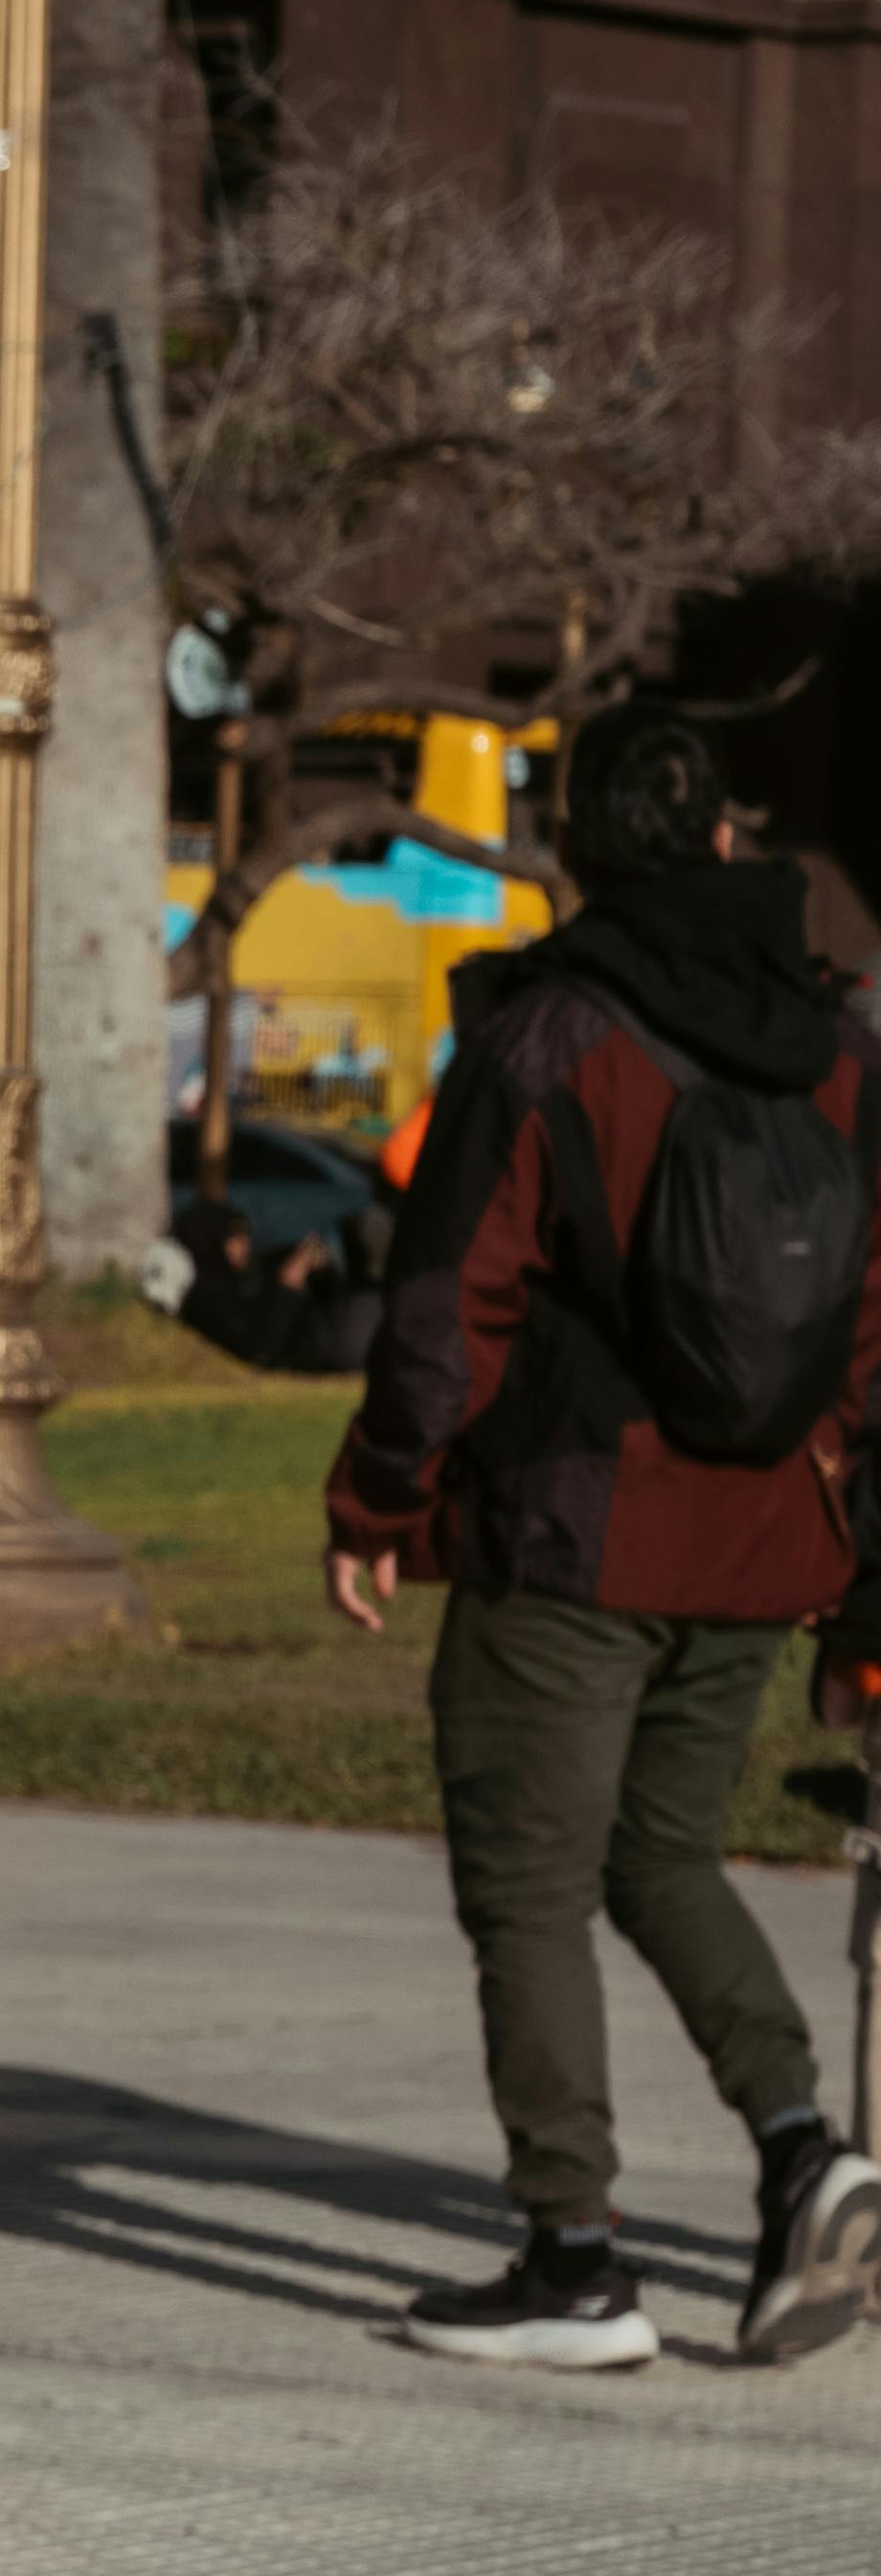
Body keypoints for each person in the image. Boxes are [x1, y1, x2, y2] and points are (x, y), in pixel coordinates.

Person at [330, 705, 881, 2371]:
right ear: (723, 836)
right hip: (765, 1535)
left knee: (524, 1879)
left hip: (572, 1530)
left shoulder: (545, 1031)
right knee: (660, 1851)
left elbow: (448, 1297)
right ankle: (806, 2150)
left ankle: (571, 2255)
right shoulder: (839, 1043)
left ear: (577, 851)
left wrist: (376, 1497)